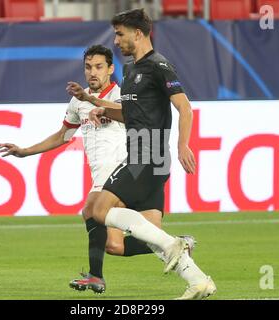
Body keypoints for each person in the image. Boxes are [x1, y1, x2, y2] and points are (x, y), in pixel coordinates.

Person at [0, 44, 190, 295]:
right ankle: (177, 245)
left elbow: (131, 111)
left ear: (111, 69)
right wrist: (25, 151)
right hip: (102, 175)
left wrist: (96, 103)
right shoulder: (78, 104)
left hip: (124, 171)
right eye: (88, 67)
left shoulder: (124, 95)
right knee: (114, 245)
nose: (92, 72)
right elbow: (63, 135)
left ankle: (96, 277)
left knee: (91, 210)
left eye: (99, 67)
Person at [66, 9, 216, 300]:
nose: (116, 40)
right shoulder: (132, 70)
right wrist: (96, 103)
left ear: (138, 33)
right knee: (149, 236)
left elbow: (185, 107)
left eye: (120, 34)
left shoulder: (158, 65)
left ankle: (175, 243)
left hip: (147, 155)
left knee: (97, 210)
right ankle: (198, 281)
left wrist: (182, 145)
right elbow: (131, 114)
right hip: (146, 157)